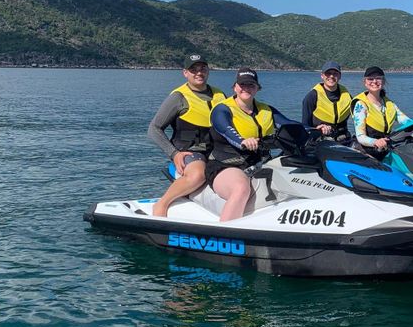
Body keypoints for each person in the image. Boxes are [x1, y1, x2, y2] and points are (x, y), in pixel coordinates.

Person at [207, 68, 302, 221]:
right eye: (242, 84)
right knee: (241, 188)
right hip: (225, 165)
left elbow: (289, 124)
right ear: (235, 87)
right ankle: (226, 229)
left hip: (258, 164)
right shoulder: (222, 109)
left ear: (257, 88)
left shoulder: (266, 110)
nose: (246, 88)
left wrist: (315, 130)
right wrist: (242, 141)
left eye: (251, 85)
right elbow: (225, 129)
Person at [147, 54, 227, 217]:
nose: (199, 73)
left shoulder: (220, 95)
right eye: (193, 70)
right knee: (198, 174)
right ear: (185, 73)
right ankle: (162, 204)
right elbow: (154, 129)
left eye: (202, 69)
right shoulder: (178, 97)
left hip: (216, 151)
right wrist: (174, 154)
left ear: (208, 71)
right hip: (190, 151)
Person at [352, 66, 413, 159]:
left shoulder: (389, 104)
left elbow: (408, 123)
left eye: (378, 78)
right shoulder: (360, 105)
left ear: (383, 81)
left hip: (384, 148)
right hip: (366, 152)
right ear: (365, 82)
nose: (374, 81)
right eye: (370, 79)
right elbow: (361, 137)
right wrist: (375, 142)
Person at [301, 61, 353, 143]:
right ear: (322, 76)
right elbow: (305, 125)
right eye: (328, 73)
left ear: (340, 76)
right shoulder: (312, 96)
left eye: (335, 73)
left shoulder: (348, 96)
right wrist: (317, 129)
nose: (331, 76)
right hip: (320, 140)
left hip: (343, 139)